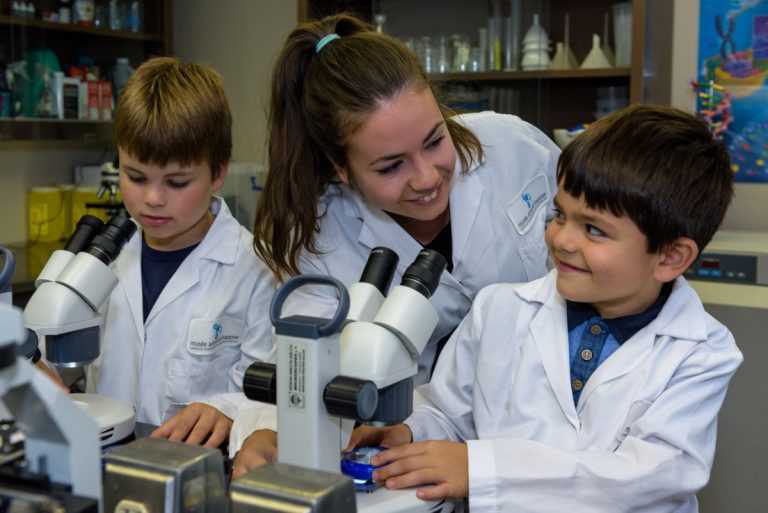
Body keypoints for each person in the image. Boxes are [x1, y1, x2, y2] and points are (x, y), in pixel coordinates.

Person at [347, 104, 743, 512]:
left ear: (671, 257)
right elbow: (448, 413)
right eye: (559, 214)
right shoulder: (498, 309)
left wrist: (482, 471)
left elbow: (652, 476)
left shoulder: (701, 352)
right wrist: (411, 433)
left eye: (593, 229)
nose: (561, 239)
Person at [229, 13, 560, 476]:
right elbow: (303, 361)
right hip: (422, 438)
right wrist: (266, 432)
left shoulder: (513, 147)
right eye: (390, 166)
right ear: (340, 168)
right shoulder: (320, 239)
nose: (426, 178)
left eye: (435, 140)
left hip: (558, 421)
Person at [85, 57, 277, 449]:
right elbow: (50, 353)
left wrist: (227, 409)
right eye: (135, 176)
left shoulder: (257, 271)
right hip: (101, 458)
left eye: (177, 182)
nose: (153, 198)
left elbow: (273, 394)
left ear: (218, 173)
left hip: (199, 466)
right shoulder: (103, 257)